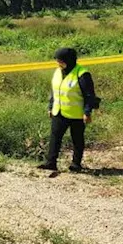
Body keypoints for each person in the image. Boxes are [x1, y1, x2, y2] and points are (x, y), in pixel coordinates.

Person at [39, 47, 97, 176]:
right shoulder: (58, 72)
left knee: (77, 139)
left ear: (69, 61)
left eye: (61, 61)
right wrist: (50, 107)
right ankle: (51, 163)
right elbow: (55, 91)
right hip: (59, 111)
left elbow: (89, 96)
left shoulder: (82, 74)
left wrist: (87, 112)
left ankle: (76, 164)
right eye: (57, 61)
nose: (58, 64)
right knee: (55, 137)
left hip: (77, 115)